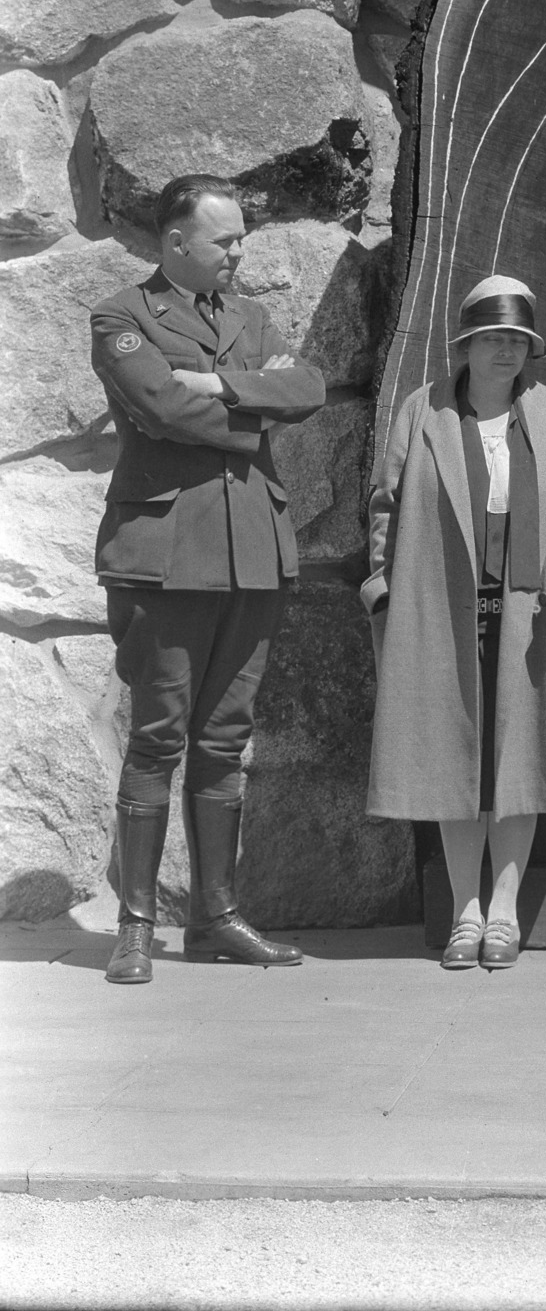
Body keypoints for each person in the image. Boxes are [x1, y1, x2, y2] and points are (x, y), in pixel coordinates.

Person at [90, 174, 326, 985]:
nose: (238, 253)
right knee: (158, 735)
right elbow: (159, 408)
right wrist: (255, 406)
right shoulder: (122, 314)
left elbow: (311, 387)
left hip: (251, 549)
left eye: (241, 240)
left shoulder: (252, 318)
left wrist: (221, 383)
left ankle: (216, 915)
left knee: (226, 738)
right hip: (164, 553)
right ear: (176, 242)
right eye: (223, 241)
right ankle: (135, 924)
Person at [363, 275, 546, 972]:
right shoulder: (423, 411)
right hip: (440, 613)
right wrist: (381, 590)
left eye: (516, 340)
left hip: (528, 618)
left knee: (520, 764)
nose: (505, 351)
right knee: (452, 759)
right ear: (464, 346)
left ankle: (504, 910)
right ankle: (465, 907)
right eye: (491, 338)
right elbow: (386, 502)